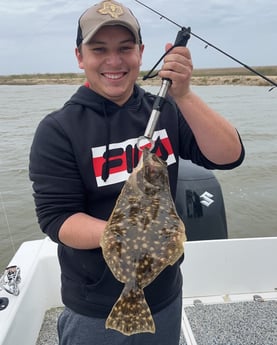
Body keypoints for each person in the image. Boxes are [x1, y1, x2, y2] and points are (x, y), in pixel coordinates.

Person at [29, 1, 245, 344]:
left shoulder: (167, 111)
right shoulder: (59, 129)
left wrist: (184, 94)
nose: (114, 61)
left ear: (142, 53)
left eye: (125, 48)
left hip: (165, 294)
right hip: (94, 307)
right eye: (99, 49)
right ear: (80, 56)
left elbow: (229, 156)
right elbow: (57, 219)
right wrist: (128, 236)